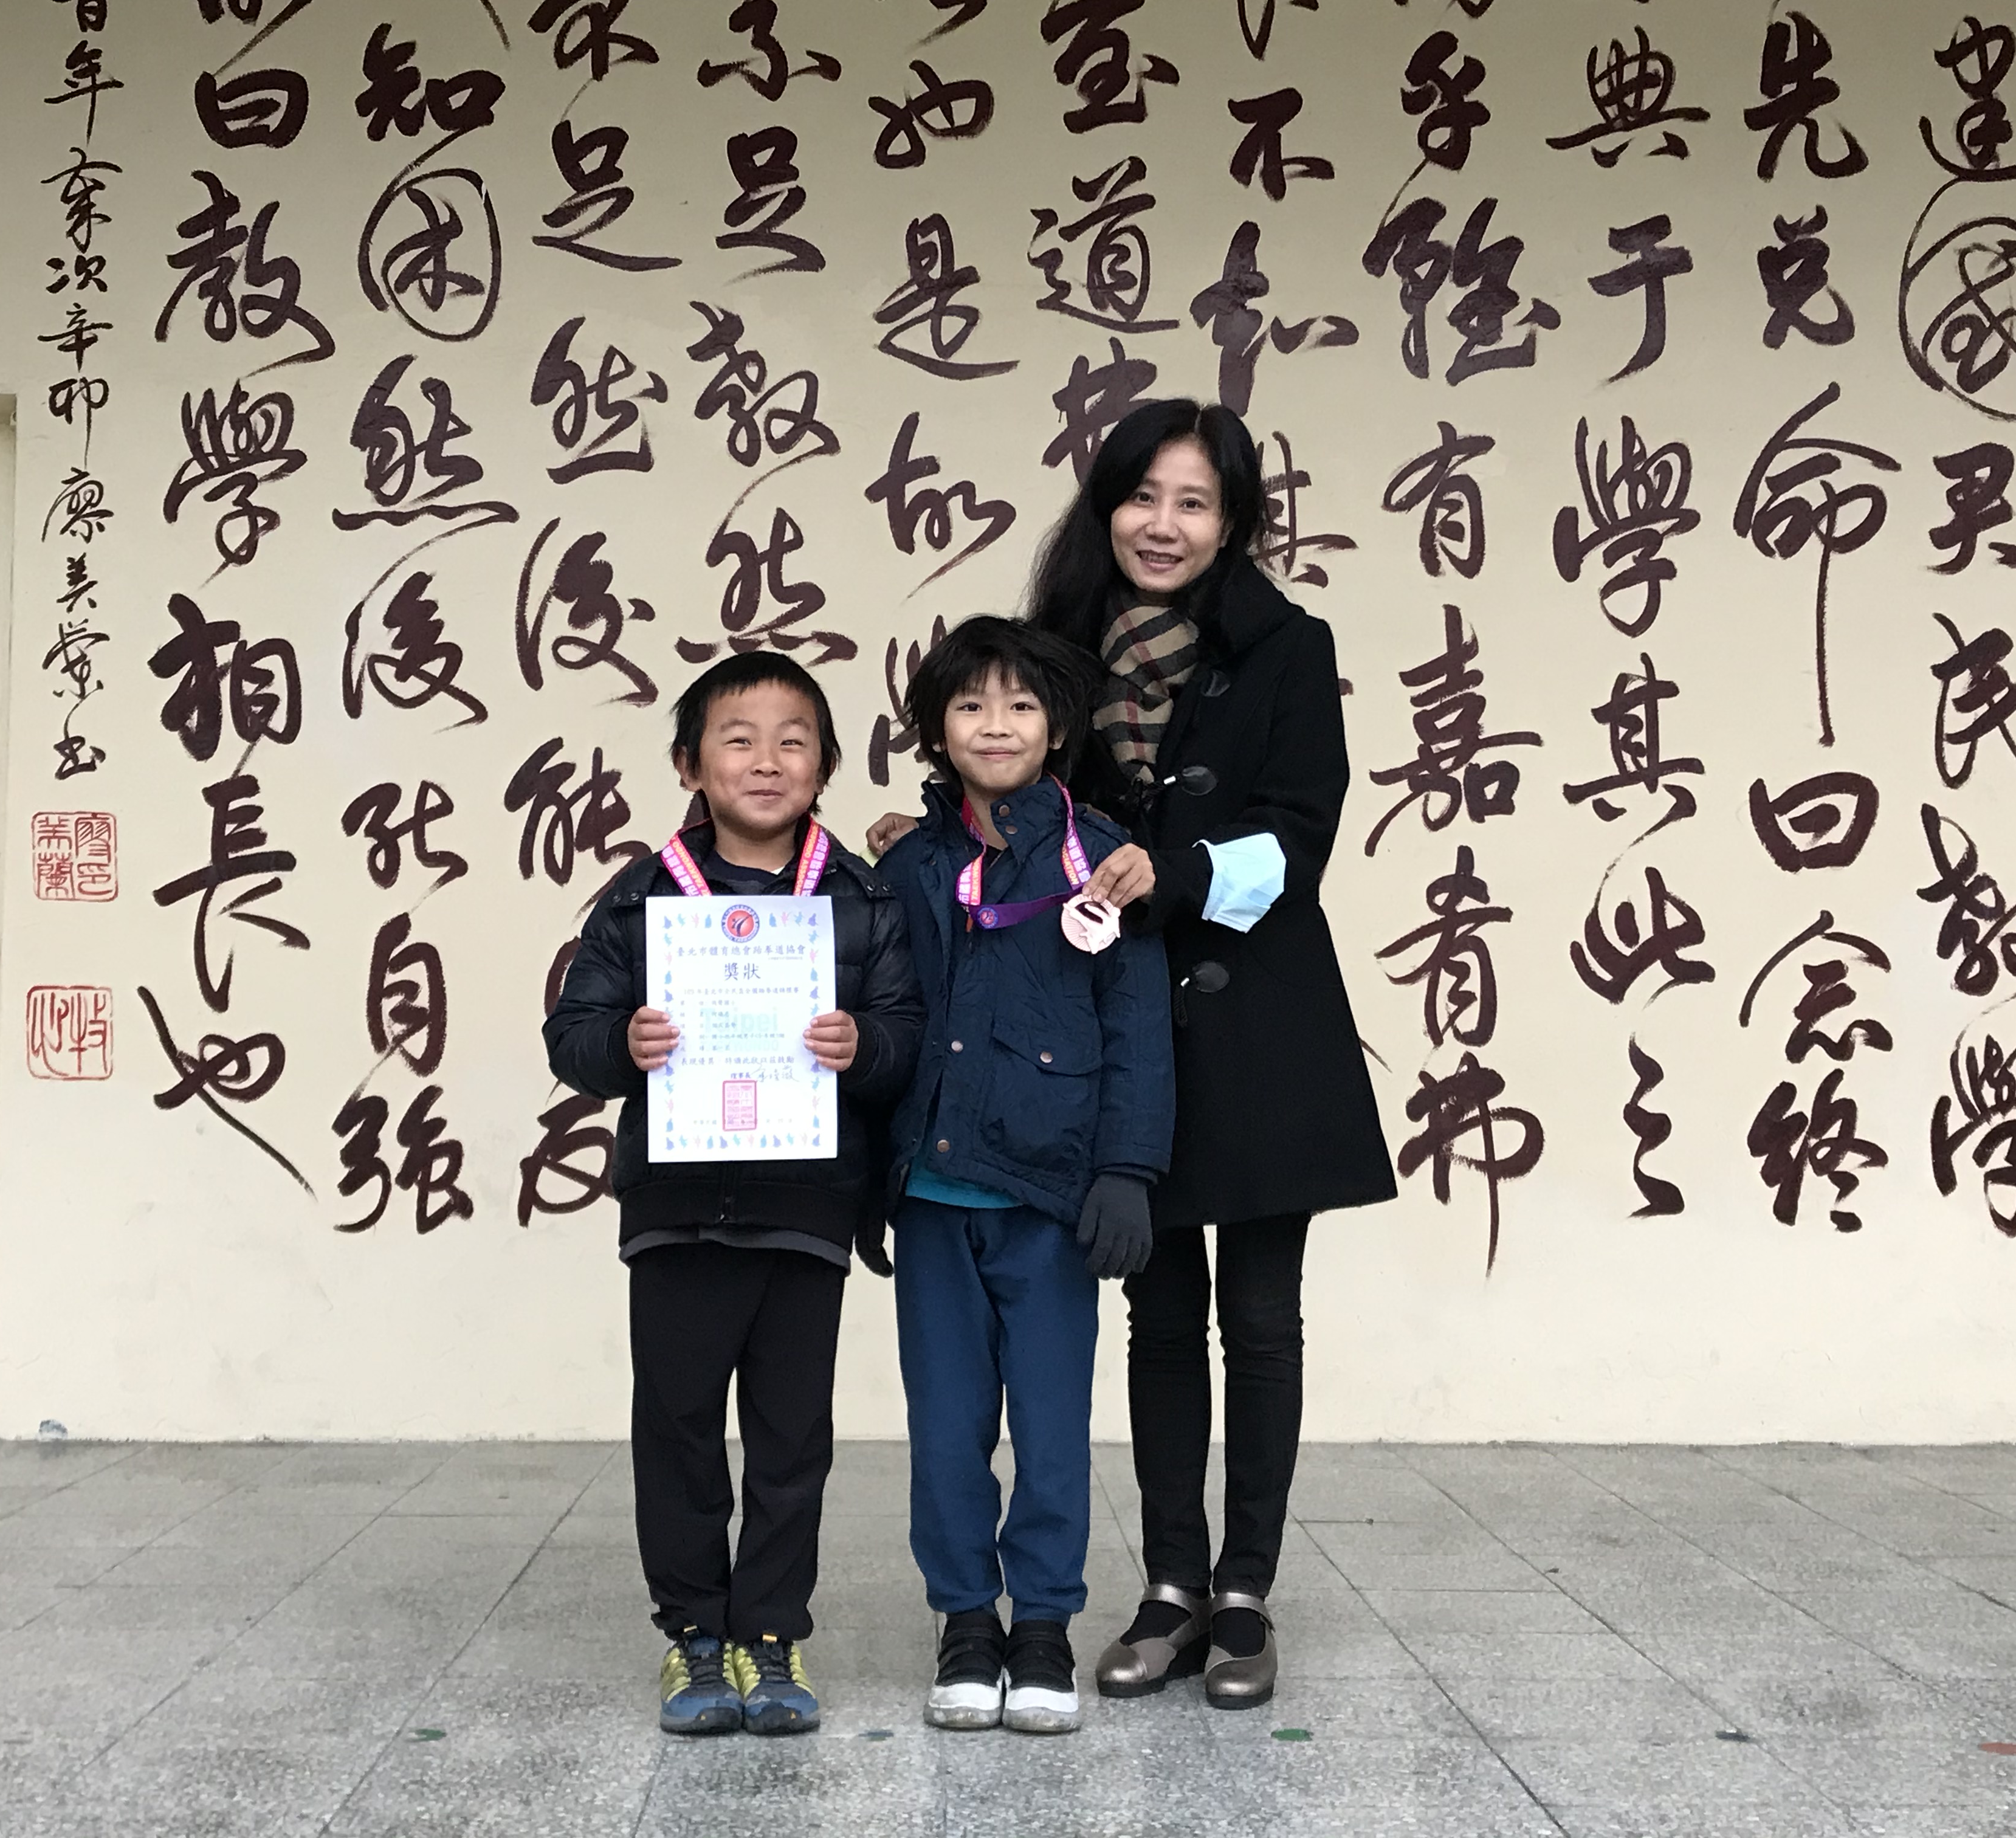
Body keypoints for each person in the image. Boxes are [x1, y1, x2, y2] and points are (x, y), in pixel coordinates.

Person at [869, 401, 1394, 1710]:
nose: (1164, 525)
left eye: (1195, 502)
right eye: (1142, 496)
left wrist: (1179, 872)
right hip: (1102, 1035)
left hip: (1257, 1020)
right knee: (1157, 1315)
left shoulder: (1288, 646)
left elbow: (1302, 830)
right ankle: (1169, 1587)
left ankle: (1245, 1592)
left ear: (1235, 521)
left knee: (1258, 1318)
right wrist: (931, 830)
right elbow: (1010, 779)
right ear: (1106, 505)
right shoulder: (1058, 645)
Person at [546, 652, 923, 1738]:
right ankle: (694, 1637)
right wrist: (622, 1043)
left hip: (808, 1211)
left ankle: (771, 1633)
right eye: (738, 739)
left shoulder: (860, 897)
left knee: (792, 1439)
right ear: (689, 765)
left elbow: (907, 1034)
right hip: (676, 1213)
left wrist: (865, 1044)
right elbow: (572, 1035)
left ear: (826, 766)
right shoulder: (643, 895)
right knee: (677, 1431)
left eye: (793, 741)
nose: (767, 761)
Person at [876, 616, 1173, 1735]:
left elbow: (1138, 1025)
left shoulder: (1105, 859)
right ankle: (965, 1621)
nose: (994, 725)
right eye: (969, 706)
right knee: (946, 1426)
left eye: (1020, 706)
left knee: (1052, 1428)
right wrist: (867, 1179)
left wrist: (1128, 1170)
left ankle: (1043, 1625)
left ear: (1058, 730)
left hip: (1050, 1199)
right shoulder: (909, 864)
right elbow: (881, 1021)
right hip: (933, 1198)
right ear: (936, 730)